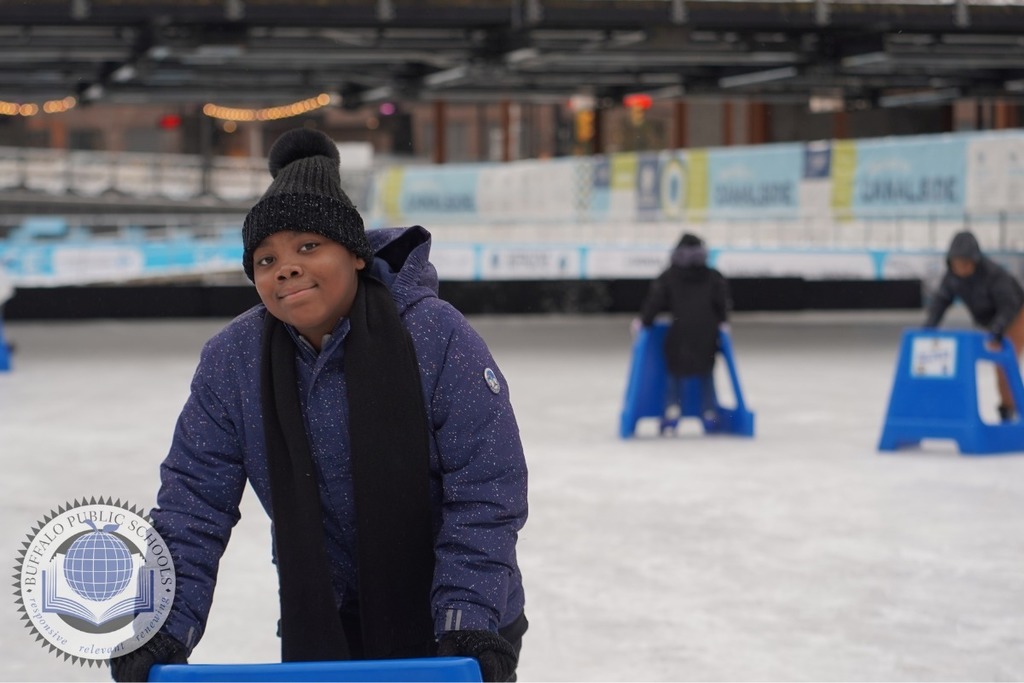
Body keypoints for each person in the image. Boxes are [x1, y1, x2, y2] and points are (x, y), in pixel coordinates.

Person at [109, 128, 528, 682]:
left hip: (457, 626)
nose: (285, 269)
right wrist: (162, 623)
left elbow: (486, 486)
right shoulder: (232, 361)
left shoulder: (434, 335)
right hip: (322, 626)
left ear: (355, 253)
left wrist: (465, 618)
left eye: (309, 247)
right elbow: (193, 506)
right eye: (265, 259)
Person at [924, 230, 1024, 422]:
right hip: (992, 319)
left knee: (1005, 362)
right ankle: (1009, 408)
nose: (961, 268)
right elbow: (941, 301)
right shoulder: (952, 277)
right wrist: (928, 327)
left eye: (965, 263)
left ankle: (1010, 409)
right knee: (1000, 360)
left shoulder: (995, 275)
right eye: (956, 264)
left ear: (975, 261)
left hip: (1016, 315)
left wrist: (997, 330)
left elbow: (1008, 306)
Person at [637, 232, 731, 432]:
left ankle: (672, 411)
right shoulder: (712, 276)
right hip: (706, 332)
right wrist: (723, 321)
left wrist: (644, 322)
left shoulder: (670, 275)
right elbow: (721, 302)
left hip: (680, 332)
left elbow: (655, 300)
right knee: (706, 371)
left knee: (675, 371)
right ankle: (709, 413)